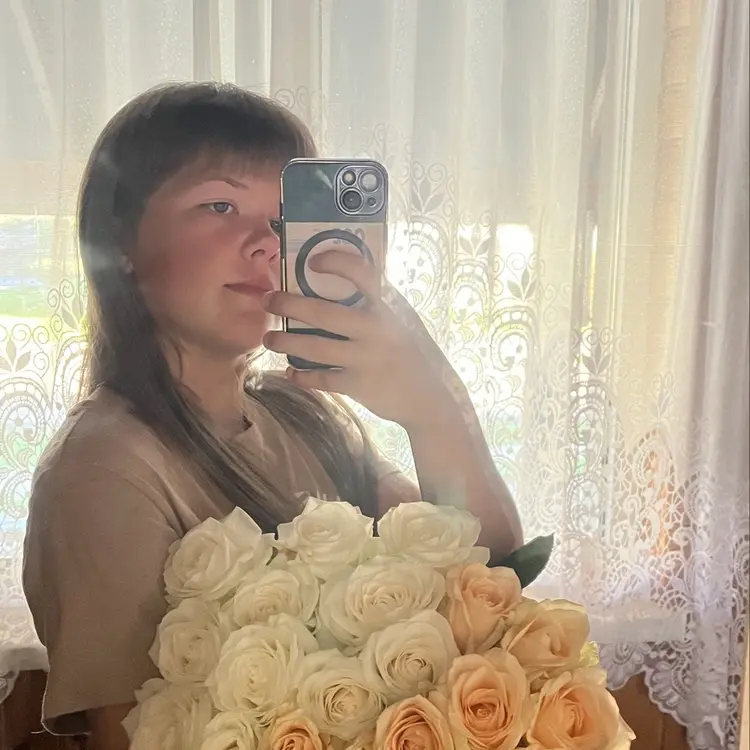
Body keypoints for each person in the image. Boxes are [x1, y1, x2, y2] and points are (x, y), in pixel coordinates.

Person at [22, 81, 523, 749]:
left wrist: (435, 409)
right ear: (121, 245)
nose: (266, 243)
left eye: (286, 218)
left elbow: (493, 579)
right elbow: (137, 735)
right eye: (220, 205)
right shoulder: (104, 469)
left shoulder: (302, 412)